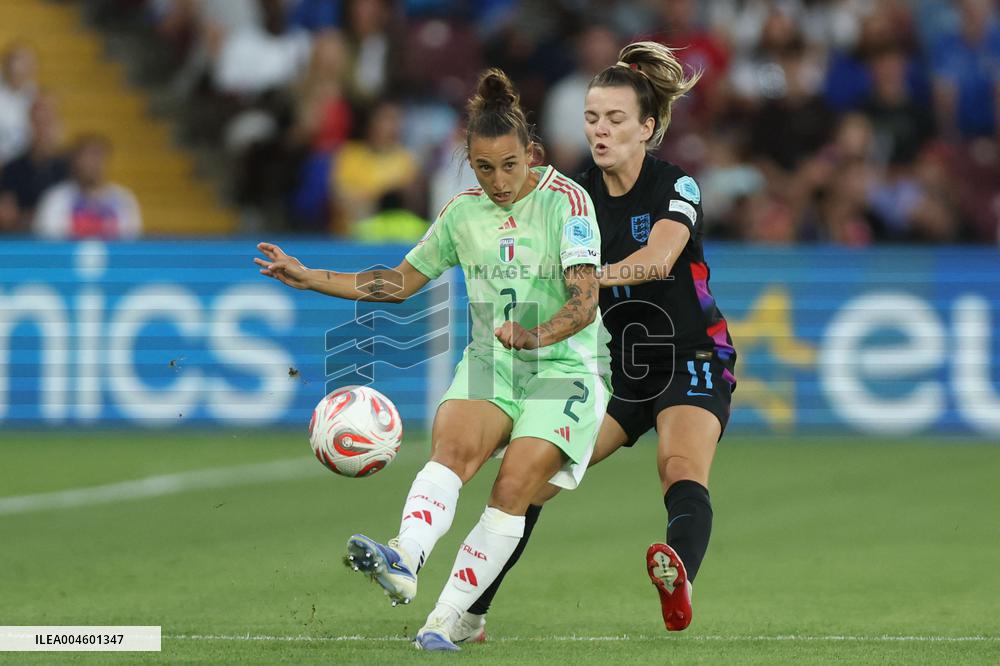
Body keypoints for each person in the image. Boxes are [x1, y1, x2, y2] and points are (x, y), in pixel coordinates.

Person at [254, 68, 611, 652]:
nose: (497, 181)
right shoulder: (460, 215)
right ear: (469, 162)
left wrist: (536, 333)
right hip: (492, 362)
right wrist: (311, 278)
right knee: (451, 451)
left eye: (510, 165)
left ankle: (444, 622)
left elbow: (585, 300)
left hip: (566, 368)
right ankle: (404, 560)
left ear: (533, 154)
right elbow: (396, 283)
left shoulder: (568, 201)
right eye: (483, 167)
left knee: (512, 487)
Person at [449, 41, 738, 642]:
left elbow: (658, 260)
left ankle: (679, 572)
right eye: (591, 119)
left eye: (614, 120)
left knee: (679, 465)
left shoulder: (675, 185)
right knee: (527, 482)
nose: (599, 131)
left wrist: (587, 275)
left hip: (690, 358)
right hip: (613, 373)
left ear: (647, 128)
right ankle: (470, 612)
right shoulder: (573, 199)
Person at [33, 133, 142, 239]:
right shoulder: (56, 198)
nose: (94, 163)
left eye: (98, 156)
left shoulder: (124, 199)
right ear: (75, 161)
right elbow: (48, 242)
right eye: (87, 156)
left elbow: (130, 243)